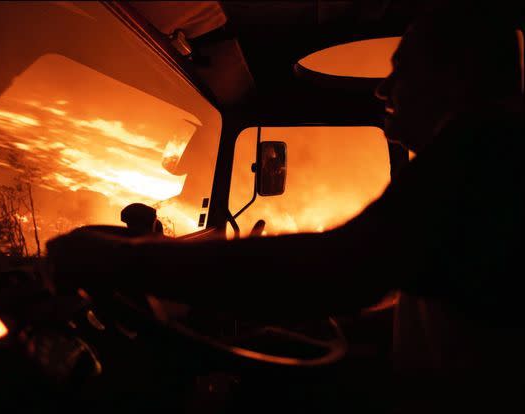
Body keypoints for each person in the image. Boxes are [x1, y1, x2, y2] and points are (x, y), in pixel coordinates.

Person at [47, 5, 524, 413]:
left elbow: (339, 269)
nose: (384, 90)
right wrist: (326, 331)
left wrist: (115, 260)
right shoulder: (486, 154)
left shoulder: (487, 150)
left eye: (403, 69)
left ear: (454, 73)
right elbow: (421, 295)